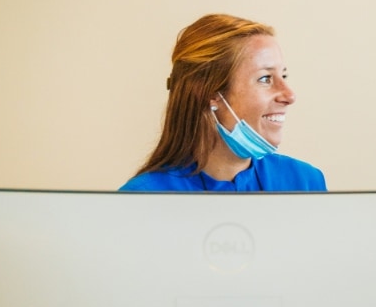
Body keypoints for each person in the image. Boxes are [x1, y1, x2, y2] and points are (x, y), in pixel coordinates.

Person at [121, 14, 327, 192]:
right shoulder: (143, 198)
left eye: (284, 76)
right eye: (265, 78)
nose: (289, 95)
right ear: (211, 93)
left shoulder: (305, 182)